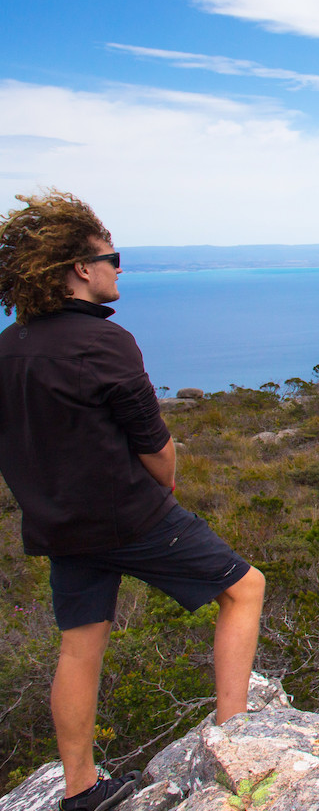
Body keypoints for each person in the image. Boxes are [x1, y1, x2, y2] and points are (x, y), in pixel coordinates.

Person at [0, 191, 265, 811]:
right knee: (243, 588)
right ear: (78, 269)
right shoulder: (106, 345)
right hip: (130, 514)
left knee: (79, 645)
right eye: (111, 257)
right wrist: (166, 480)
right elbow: (156, 448)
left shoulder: (8, 349)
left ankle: (80, 789)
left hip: (57, 524)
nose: (120, 268)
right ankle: (234, 740)